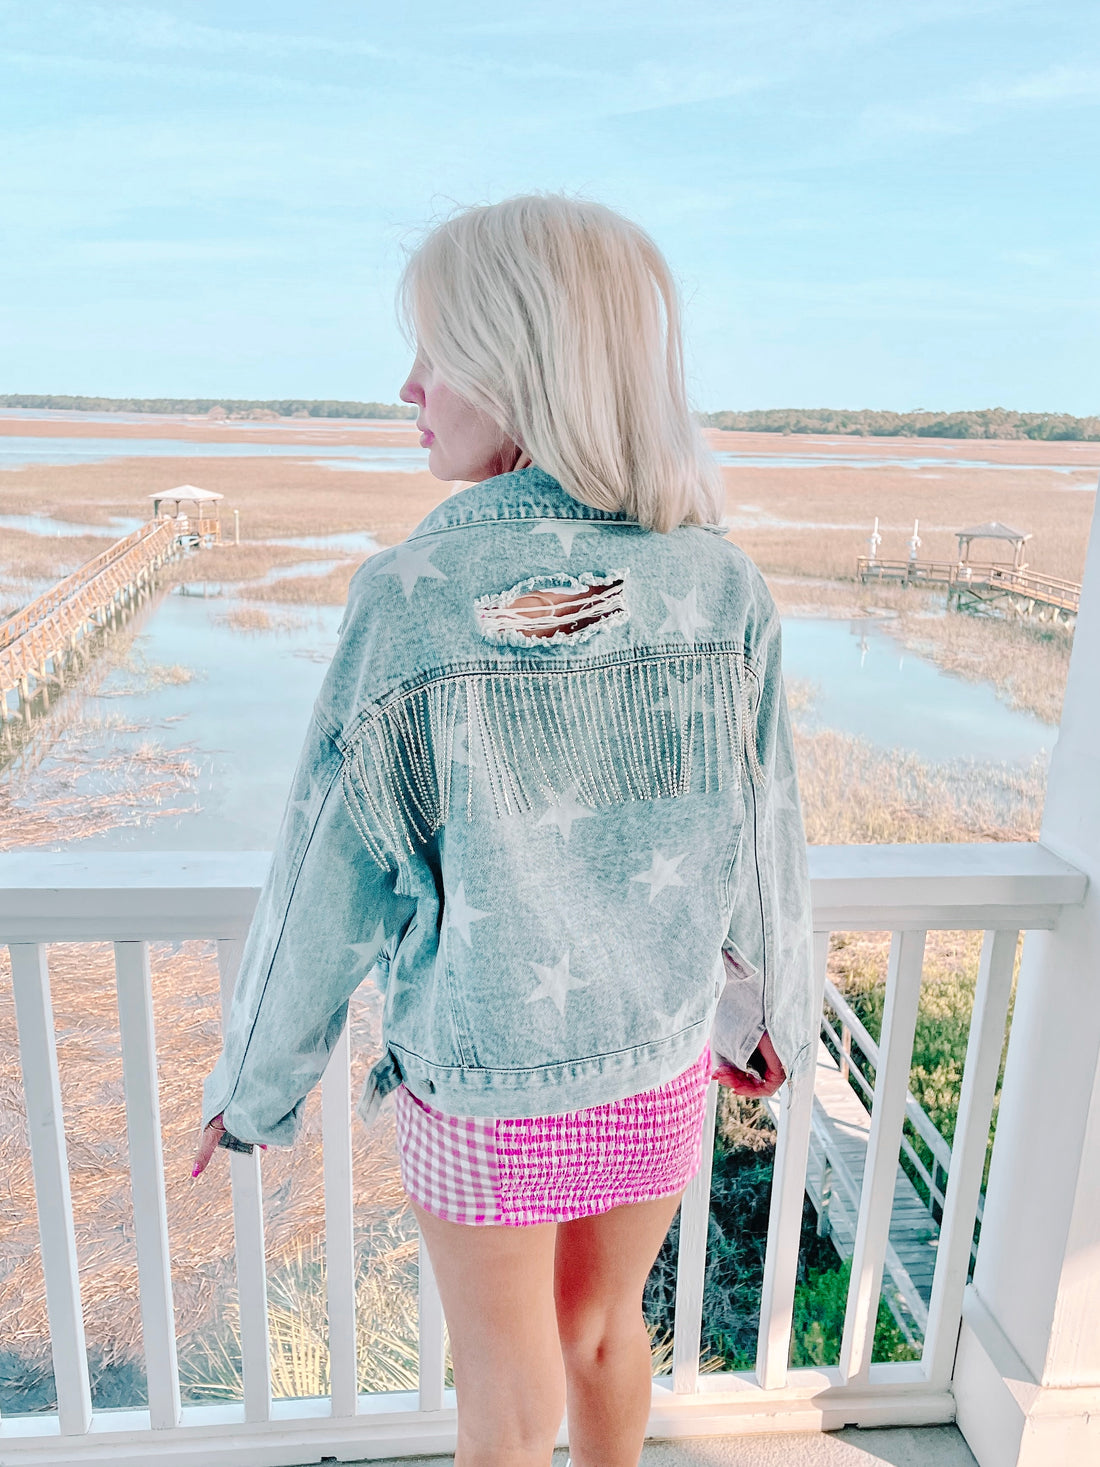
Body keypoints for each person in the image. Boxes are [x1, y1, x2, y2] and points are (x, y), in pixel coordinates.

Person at [194, 194, 815, 1467]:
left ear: (525, 363)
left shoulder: (411, 598)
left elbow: (329, 875)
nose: (407, 386)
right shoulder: (720, 583)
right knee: (600, 1335)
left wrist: (252, 1091)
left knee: (502, 1391)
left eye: (438, 351)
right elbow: (767, 846)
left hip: (482, 1075)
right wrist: (771, 1025)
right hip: (653, 1057)